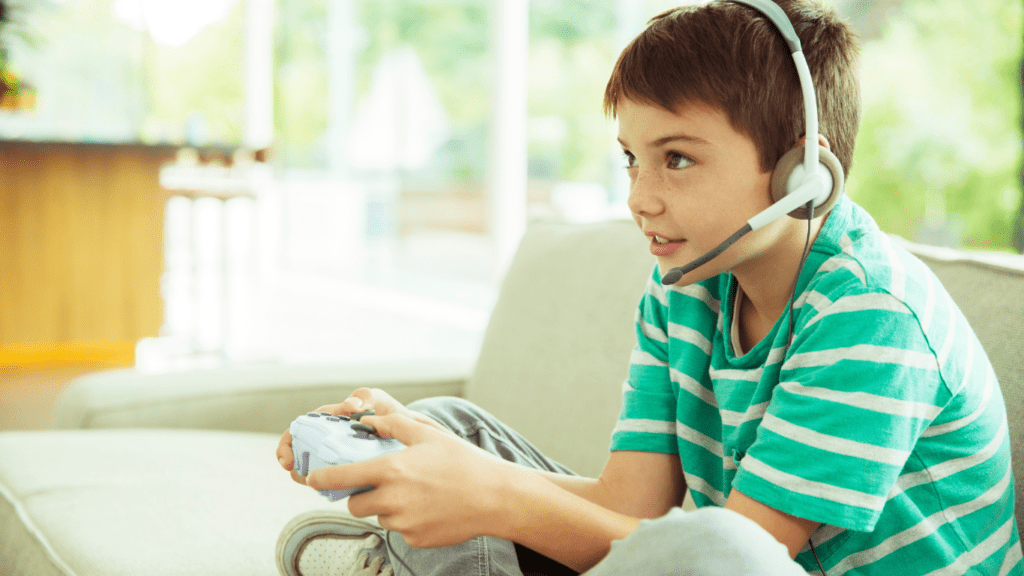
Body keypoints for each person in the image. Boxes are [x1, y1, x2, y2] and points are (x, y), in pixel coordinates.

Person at [277, 1, 1023, 574]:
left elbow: (741, 553)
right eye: (631, 158)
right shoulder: (684, 285)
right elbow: (625, 510)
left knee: (714, 544)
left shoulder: (871, 313)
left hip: (739, 557)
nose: (640, 197)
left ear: (803, 173)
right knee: (449, 428)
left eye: (678, 160)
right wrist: (450, 464)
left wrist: (489, 496)